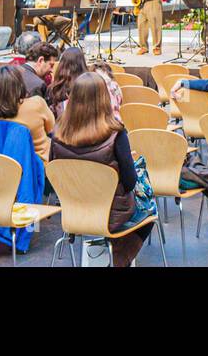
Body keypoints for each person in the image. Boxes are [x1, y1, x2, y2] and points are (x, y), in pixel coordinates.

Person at [48, 72, 148, 267]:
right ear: (104, 98)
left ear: (73, 98)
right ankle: (120, 256)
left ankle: (110, 254)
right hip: (112, 214)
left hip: (73, 210)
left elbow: (54, 175)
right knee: (149, 206)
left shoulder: (57, 135)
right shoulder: (116, 134)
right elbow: (130, 181)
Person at [0, 64, 55, 161]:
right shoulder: (37, 103)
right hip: (37, 166)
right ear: (20, 84)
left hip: (5, 164)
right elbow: (51, 128)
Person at [14, 32, 57, 100]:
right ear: (40, 60)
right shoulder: (38, 85)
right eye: (51, 65)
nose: (52, 70)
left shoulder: (11, 72)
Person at [48, 46, 87, 119]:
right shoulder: (89, 85)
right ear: (82, 64)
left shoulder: (54, 88)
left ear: (62, 64)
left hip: (60, 127)